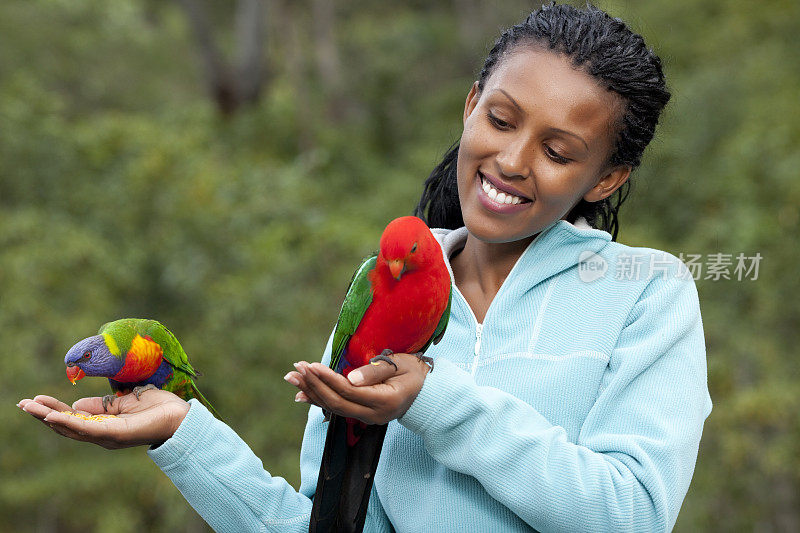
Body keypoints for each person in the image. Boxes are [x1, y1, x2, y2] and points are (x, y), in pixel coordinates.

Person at [18, 3, 712, 532]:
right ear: (471, 106)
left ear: (606, 177)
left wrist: (431, 398)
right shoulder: (379, 282)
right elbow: (325, 523)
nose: (511, 160)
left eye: (558, 151)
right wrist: (182, 431)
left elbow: (632, 513)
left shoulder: (647, 293)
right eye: (501, 120)